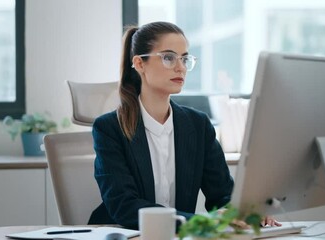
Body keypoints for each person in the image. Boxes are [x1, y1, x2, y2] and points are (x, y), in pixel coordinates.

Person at [88, 21, 279, 230]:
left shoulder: (198, 125)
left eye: (185, 58)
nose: (180, 67)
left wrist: (246, 212)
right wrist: (200, 221)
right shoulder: (109, 128)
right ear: (140, 64)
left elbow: (222, 195)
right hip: (119, 232)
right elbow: (124, 206)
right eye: (168, 58)